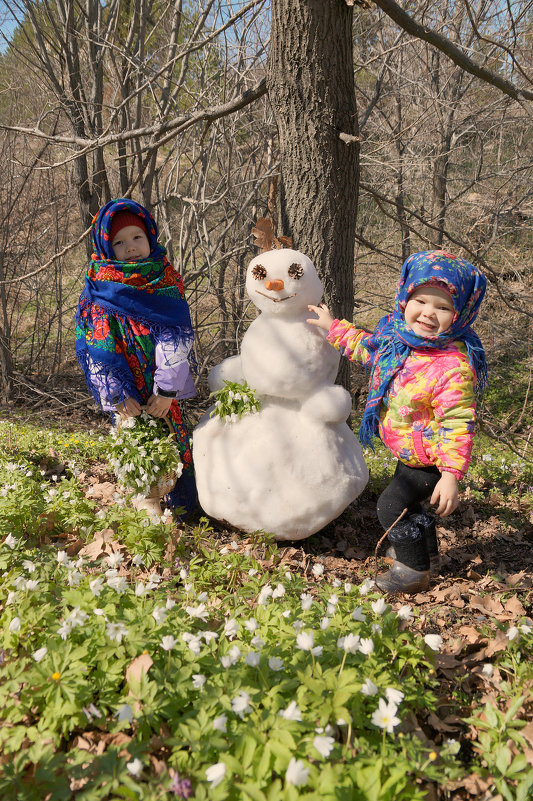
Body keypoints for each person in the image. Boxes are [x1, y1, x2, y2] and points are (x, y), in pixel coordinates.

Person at [307, 250, 487, 594]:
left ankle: (412, 570)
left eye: (443, 307)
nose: (429, 313)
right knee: (415, 509)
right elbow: (367, 350)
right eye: (421, 300)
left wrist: (450, 476)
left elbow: (458, 423)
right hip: (410, 453)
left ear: (460, 314)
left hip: (432, 460)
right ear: (405, 298)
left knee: (391, 508)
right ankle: (427, 555)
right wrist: (334, 328)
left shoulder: (452, 365)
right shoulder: (397, 338)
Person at [75, 198, 197, 514]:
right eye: (119, 241)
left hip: (161, 383)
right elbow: (98, 345)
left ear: (150, 237)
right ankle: (146, 501)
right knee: (137, 441)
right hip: (126, 384)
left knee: (173, 439)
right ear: (105, 245)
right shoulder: (100, 285)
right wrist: (115, 394)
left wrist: (167, 391)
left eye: (137, 238)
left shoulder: (165, 279)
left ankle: (186, 503)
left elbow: (176, 337)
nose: (130, 247)